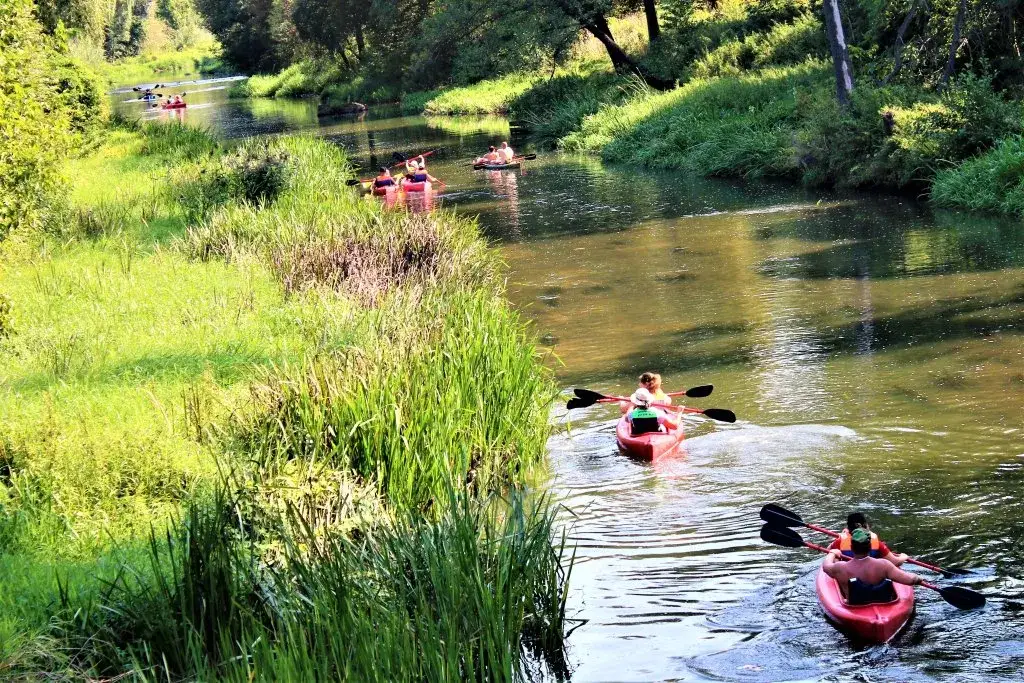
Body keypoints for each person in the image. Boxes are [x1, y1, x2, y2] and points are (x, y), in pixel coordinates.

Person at [824, 528, 923, 604]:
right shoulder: (884, 565)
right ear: (870, 547)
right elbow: (910, 580)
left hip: (854, 606)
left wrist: (832, 553)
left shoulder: (840, 568)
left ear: (851, 547)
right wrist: (918, 578)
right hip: (884, 604)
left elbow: (826, 566)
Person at [827, 512, 909, 566]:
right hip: (872, 574)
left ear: (848, 527)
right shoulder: (876, 541)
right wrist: (903, 557)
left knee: (835, 558)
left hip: (848, 576)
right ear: (865, 525)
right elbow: (895, 562)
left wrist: (841, 536)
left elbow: (828, 551)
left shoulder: (840, 541)